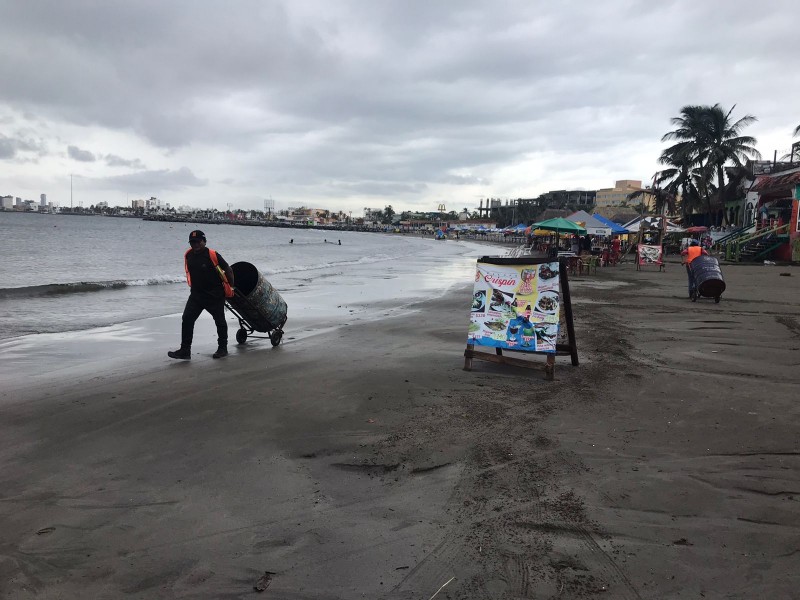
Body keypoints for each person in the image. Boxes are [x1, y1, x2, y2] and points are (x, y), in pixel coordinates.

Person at [168, 230, 235, 360]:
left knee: (220, 321)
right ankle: (185, 350)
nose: (195, 244)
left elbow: (228, 269)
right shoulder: (188, 255)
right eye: (192, 242)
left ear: (204, 241)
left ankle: (222, 348)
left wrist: (231, 287)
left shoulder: (212, 255)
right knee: (187, 319)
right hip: (196, 296)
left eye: (198, 242)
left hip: (214, 296)